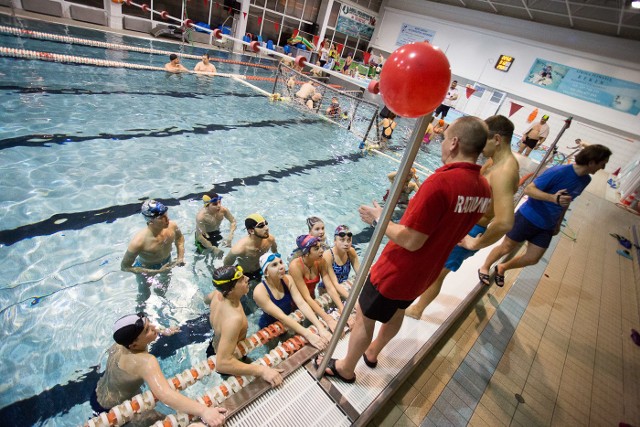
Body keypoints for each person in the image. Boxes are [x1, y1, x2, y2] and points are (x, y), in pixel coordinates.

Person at [316, 116, 491, 383]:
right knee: (396, 312)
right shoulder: (483, 188)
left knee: (365, 316)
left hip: (398, 270)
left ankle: (346, 368)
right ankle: (372, 353)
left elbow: (411, 240)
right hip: (428, 271)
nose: (442, 144)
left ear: (454, 142)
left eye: (444, 139)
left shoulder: (440, 183)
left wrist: (379, 218)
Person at [406, 115, 520, 319]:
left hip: (472, 231)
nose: (478, 145)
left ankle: (416, 310)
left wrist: (476, 243)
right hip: (462, 223)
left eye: (483, 139)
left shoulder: (505, 171)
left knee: (439, 272)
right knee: (431, 264)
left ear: (497, 139)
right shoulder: (495, 162)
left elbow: (504, 221)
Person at [479, 144, 611, 287]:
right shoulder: (559, 171)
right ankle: (485, 266)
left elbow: (566, 201)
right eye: (602, 164)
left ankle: (503, 267)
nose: (602, 168)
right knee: (506, 247)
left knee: (533, 258)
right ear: (592, 162)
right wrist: (553, 198)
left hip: (548, 224)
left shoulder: (586, 180)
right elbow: (529, 190)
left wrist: (558, 222)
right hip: (528, 217)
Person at [92, 313, 227, 426]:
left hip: (97, 395)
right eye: (147, 330)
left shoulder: (118, 345)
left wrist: (163, 332)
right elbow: (165, 394)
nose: (153, 327)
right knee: (168, 421)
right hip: (117, 411)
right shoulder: (146, 362)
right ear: (134, 344)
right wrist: (204, 411)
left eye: (149, 323)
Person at [204, 266, 284, 386]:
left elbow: (206, 299)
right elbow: (222, 364)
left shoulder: (217, 294)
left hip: (215, 345)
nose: (247, 278)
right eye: (241, 279)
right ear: (230, 291)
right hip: (229, 359)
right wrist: (262, 370)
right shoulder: (233, 319)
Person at [254, 252, 332, 348]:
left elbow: (301, 303)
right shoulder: (260, 291)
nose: (281, 266)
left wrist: (320, 327)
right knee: (273, 350)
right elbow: (281, 317)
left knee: (293, 346)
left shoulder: (288, 280)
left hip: (289, 320)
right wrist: (308, 334)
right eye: (274, 265)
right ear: (266, 272)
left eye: (281, 262)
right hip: (269, 327)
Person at [288, 235, 348, 333]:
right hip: (292, 304)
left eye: (321, 247)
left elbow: (330, 287)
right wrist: (328, 319)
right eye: (316, 249)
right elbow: (306, 297)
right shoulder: (295, 266)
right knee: (292, 335)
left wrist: (342, 308)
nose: (321, 250)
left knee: (312, 327)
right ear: (306, 253)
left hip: (311, 299)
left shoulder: (320, 261)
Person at [121, 200, 185, 277]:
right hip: (146, 268)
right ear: (151, 221)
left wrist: (180, 257)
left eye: (166, 214)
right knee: (144, 289)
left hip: (167, 262)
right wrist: (156, 271)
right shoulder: (138, 242)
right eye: (161, 217)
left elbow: (179, 238)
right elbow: (125, 267)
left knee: (164, 287)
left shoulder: (172, 226)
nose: (167, 219)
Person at [223, 213, 277, 282]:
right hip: (245, 274)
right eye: (261, 226)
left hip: (261, 269)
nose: (266, 228)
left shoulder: (270, 239)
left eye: (266, 223)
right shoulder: (239, 249)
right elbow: (226, 266)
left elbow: (275, 254)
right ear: (251, 231)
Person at [195, 193, 237, 259]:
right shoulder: (201, 217)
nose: (219, 206)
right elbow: (200, 236)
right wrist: (212, 248)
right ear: (207, 205)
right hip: (205, 236)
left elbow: (233, 221)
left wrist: (231, 235)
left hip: (216, 232)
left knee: (219, 256)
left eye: (219, 202)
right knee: (201, 256)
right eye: (215, 204)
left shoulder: (223, 210)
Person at [322, 225, 360, 295]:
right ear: (335, 241)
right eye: (342, 240)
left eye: (349, 240)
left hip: (344, 287)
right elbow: (335, 284)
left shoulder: (351, 252)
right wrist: (352, 299)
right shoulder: (328, 256)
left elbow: (360, 273)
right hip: (327, 291)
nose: (346, 244)